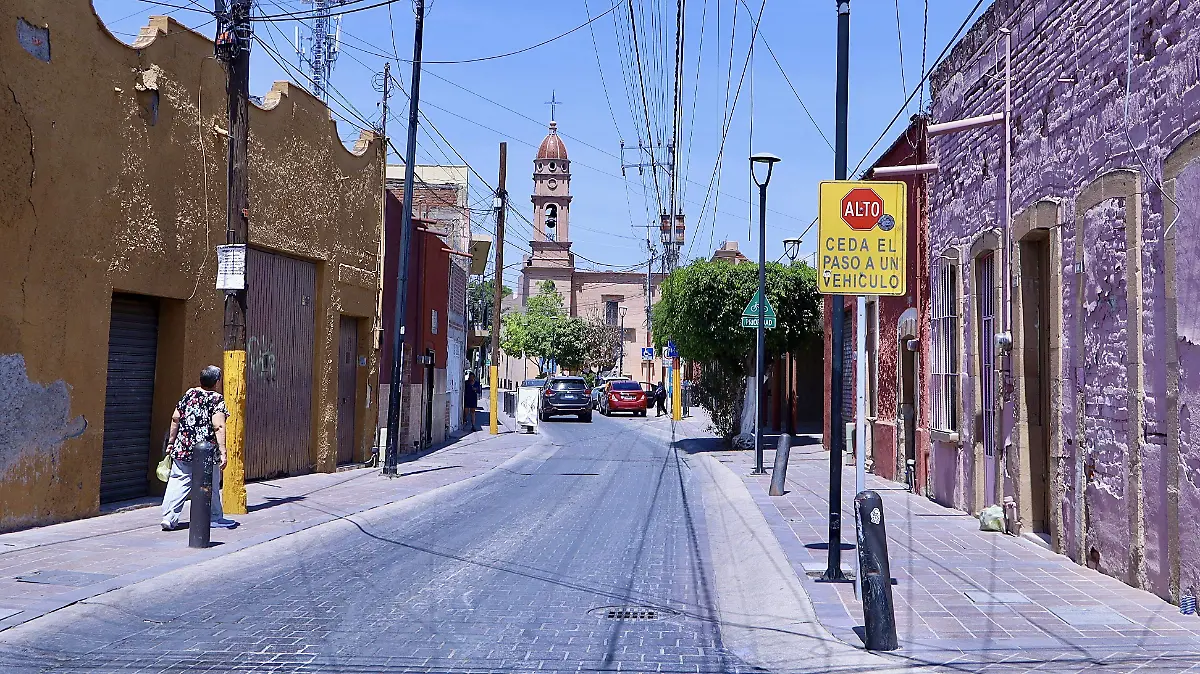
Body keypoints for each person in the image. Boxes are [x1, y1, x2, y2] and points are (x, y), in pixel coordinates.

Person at [161, 366, 237, 531]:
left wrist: (171, 442)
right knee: (211, 484)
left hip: (184, 447)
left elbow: (175, 418)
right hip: (206, 452)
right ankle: (215, 517)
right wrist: (223, 452)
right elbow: (219, 426)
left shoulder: (189, 394)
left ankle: (169, 518)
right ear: (217, 382)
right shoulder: (217, 399)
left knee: (178, 482)